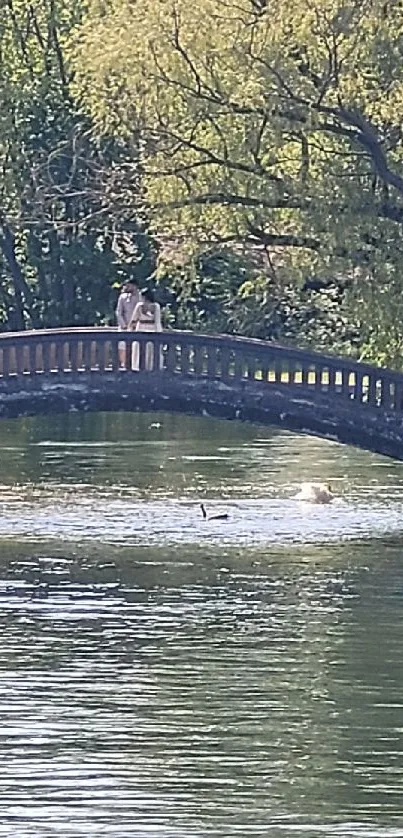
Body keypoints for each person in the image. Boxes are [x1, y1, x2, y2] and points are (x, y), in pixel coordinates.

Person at [129, 288, 162, 371]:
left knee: (150, 349)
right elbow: (134, 319)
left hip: (151, 328)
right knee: (139, 348)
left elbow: (157, 321)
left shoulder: (156, 306)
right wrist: (130, 330)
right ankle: (137, 366)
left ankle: (150, 367)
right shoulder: (139, 306)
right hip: (141, 327)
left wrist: (158, 332)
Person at [115, 281, 141, 367]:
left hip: (137, 327)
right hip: (124, 326)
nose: (127, 287)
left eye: (129, 285)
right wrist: (124, 325)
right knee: (122, 345)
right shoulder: (123, 297)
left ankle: (135, 365)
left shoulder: (140, 298)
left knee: (136, 347)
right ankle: (123, 365)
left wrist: (135, 324)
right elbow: (119, 312)